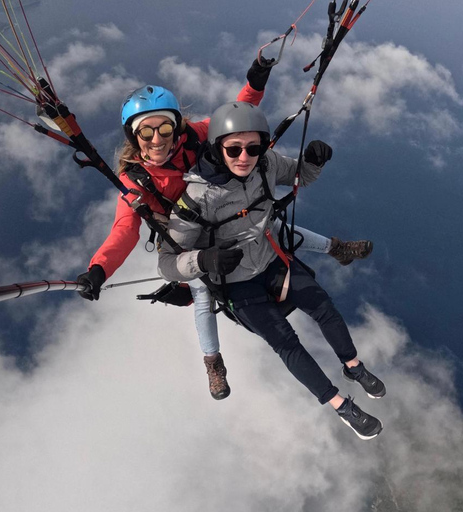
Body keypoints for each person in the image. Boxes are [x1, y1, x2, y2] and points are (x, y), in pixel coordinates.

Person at [77, 63, 373, 401]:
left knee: (269, 225)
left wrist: (255, 81)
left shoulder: (194, 137)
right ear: (134, 136)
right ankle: (213, 361)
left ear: (177, 126)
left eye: (164, 128)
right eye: (146, 132)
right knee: (204, 294)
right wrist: (99, 270)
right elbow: (124, 229)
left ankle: (336, 249)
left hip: (223, 210)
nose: (157, 139)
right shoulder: (136, 180)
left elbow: (234, 122)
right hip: (187, 237)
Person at [157, 101, 386, 440]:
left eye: (253, 147)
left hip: (271, 259)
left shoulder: (267, 165)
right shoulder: (197, 197)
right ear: (217, 147)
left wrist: (313, 161)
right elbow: (166, 264)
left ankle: (353, 366)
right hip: (235, 282)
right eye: (234, 148)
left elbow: (300, 176)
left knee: (324, 306)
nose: (244, 156)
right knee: (286, 343)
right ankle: (341, 406)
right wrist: (202, 262)